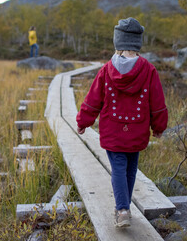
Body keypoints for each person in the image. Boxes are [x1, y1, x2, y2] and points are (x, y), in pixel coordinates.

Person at [76, 17, 168, 228]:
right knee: (130, 168)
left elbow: (93, 99)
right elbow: (157, 101)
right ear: (137, 43)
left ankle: (122, 210)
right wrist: (159, 126)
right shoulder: (149, 70)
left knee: (118, 168)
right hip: (137, 129)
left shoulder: (107, 70)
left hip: (112, 130)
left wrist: (83, 121)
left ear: (118, 42)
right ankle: (124, 208)